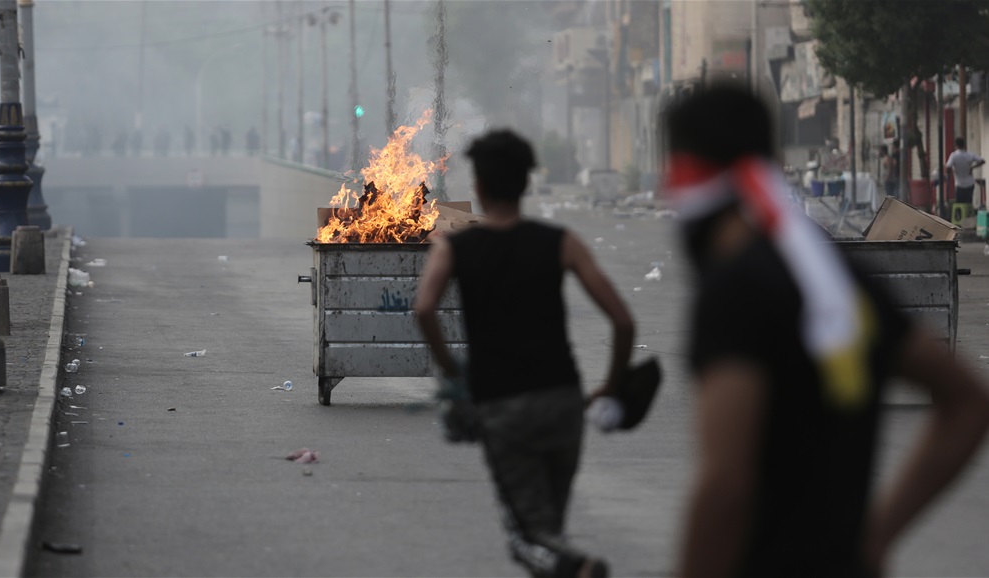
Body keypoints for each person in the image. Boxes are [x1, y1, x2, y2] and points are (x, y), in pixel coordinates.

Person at [664, 84, 989, 578]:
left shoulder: (734, 291)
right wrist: (878, 533)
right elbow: (967, 400)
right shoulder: (838, 279)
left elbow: (727, 484)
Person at [415, 129, 634, 578]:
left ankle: (579, 568)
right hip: (562, 400)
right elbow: (623, 321)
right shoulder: (561, 242)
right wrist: (612, 383)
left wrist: (453, 374)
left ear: (478, 186)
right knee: (549, 524)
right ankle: (568, 562)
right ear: (526, 183)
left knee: (528, 536)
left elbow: (423, 308)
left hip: (502, 405)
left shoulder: (454, 248)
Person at [946, 137, 985, 205]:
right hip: (970, 183)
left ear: (955, 145)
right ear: (964, 145)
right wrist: (972, 167)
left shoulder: (954, 155)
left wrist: (952, 171)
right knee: (968, 204)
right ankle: (969, 214)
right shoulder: (969, 155)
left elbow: (948, 167)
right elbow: (982, 161)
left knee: (959, 204)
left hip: (959, 184)